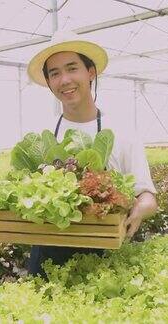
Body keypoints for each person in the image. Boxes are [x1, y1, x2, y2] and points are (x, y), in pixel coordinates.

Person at [26, 30, 158, 278]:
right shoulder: (42, 136)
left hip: (105, 254)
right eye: (54, 73)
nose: (64, 80)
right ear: (49, 83)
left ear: (90, 72)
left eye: (72, 68)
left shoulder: (123, 132)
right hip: (47, 256)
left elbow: (148, 196)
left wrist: (141, 209)